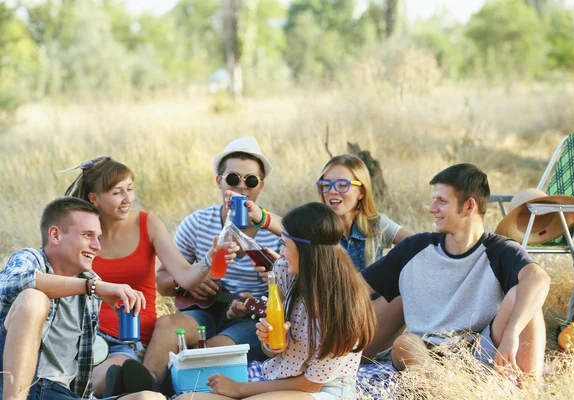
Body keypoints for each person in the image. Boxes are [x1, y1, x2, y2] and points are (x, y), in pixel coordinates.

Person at [63, 156, 237, 396]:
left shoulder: (148, 224)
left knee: (119, 370)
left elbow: (185, 277)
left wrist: (209, 258)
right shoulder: (81, 231)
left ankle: (135, 386)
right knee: (83, 375)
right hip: (87, 335)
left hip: (130, 339)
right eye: (117, 192)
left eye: (130, 189)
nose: (127, 199)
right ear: (94, 199)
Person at [362, 163, 550, 381]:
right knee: (405, 343)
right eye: (433, 200)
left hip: (480, 352)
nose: (432, 208)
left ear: (469, 207)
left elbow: (539, 278)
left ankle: (528, 391)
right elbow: (357, 287)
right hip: (425, 355)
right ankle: (447, 389)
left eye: (441, 201)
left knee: (526, 296)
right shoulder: (414, 248)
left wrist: (511, 334)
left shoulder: (499, 251)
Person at [176, 202, 377, 399]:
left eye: (285, 245)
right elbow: (273, 349)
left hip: (324, 389)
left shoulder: (342, 307)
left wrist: (239, 389)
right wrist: (271, 343)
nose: (280, 253)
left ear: (306, 251)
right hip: (281, 377)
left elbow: (312, 384)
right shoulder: (285, 272)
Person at [241, 153, 412, 359]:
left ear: (361, 191)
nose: (332, 192)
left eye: (342, 185)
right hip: (329, 322)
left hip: (370, 318)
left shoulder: (376, 225)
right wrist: (264, 223)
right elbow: (290, 231)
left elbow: (415, 244)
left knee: (407, 287)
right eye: (326, 185)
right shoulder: (315, 227)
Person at [142, 136, 280, 388]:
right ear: (218, 181)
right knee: (167, 326)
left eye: (250, 180)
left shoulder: (275, 229)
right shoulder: (196, 223)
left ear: (260, 186)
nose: (241, 187)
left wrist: (265, 290)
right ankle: (142, 390)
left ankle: (177, 389)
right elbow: (161, 281)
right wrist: (189, 280)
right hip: (203, 311)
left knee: (214, 351)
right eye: (232, 179)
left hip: (252, 319)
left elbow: (296, 289)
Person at [0, 197, 163, 400]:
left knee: (150, 398)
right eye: (87, 235)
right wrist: (92, 287)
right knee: (33, 299)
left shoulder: (90, 284)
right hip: (13, 385)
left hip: (59, 392)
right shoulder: (32, 259)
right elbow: (8, 283)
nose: (96, 246)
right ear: (55, 235)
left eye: (98, 237)